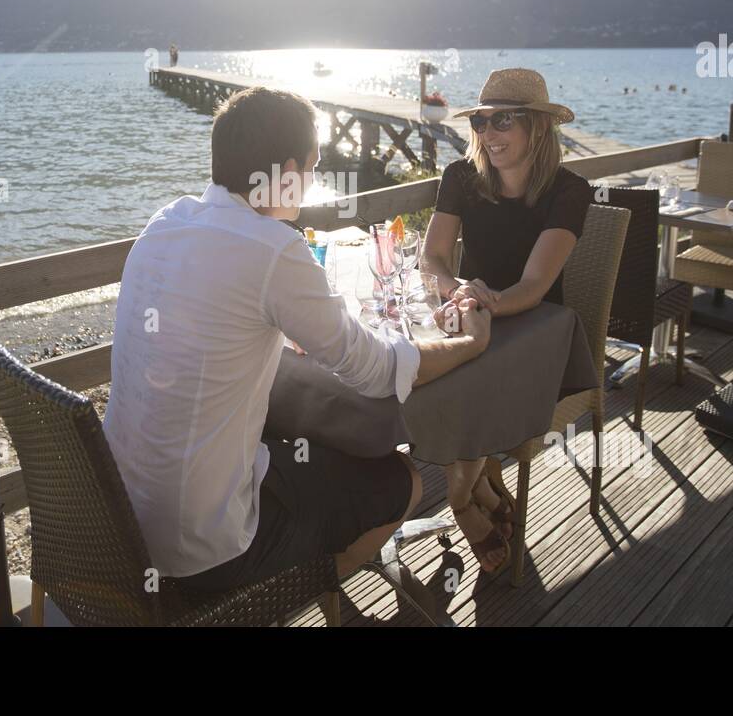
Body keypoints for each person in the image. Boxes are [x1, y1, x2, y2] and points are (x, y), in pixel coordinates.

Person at [103, 86, 491, 593]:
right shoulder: (272, 247)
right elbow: (375, 371)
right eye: (310, 169)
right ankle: (284, 598)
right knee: (401, 480)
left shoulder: (164, 223)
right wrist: (470, 345)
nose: (310, 183)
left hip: (120, 522)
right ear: (284, 173)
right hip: (202, 550)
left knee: (302, 442)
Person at [420, 68, 591, 572]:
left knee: (461, 379)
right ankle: (485, 491)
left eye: (503, 122)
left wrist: (483, 302)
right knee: (432, 372)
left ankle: (462, 500)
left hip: (536, 333)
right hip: (472, 318)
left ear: (536, 127)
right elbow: (432, 258)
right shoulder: (461, 179)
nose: (488, 135)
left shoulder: (569, 191)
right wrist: (460, 293)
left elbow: (535, 286)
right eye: (481, 123)